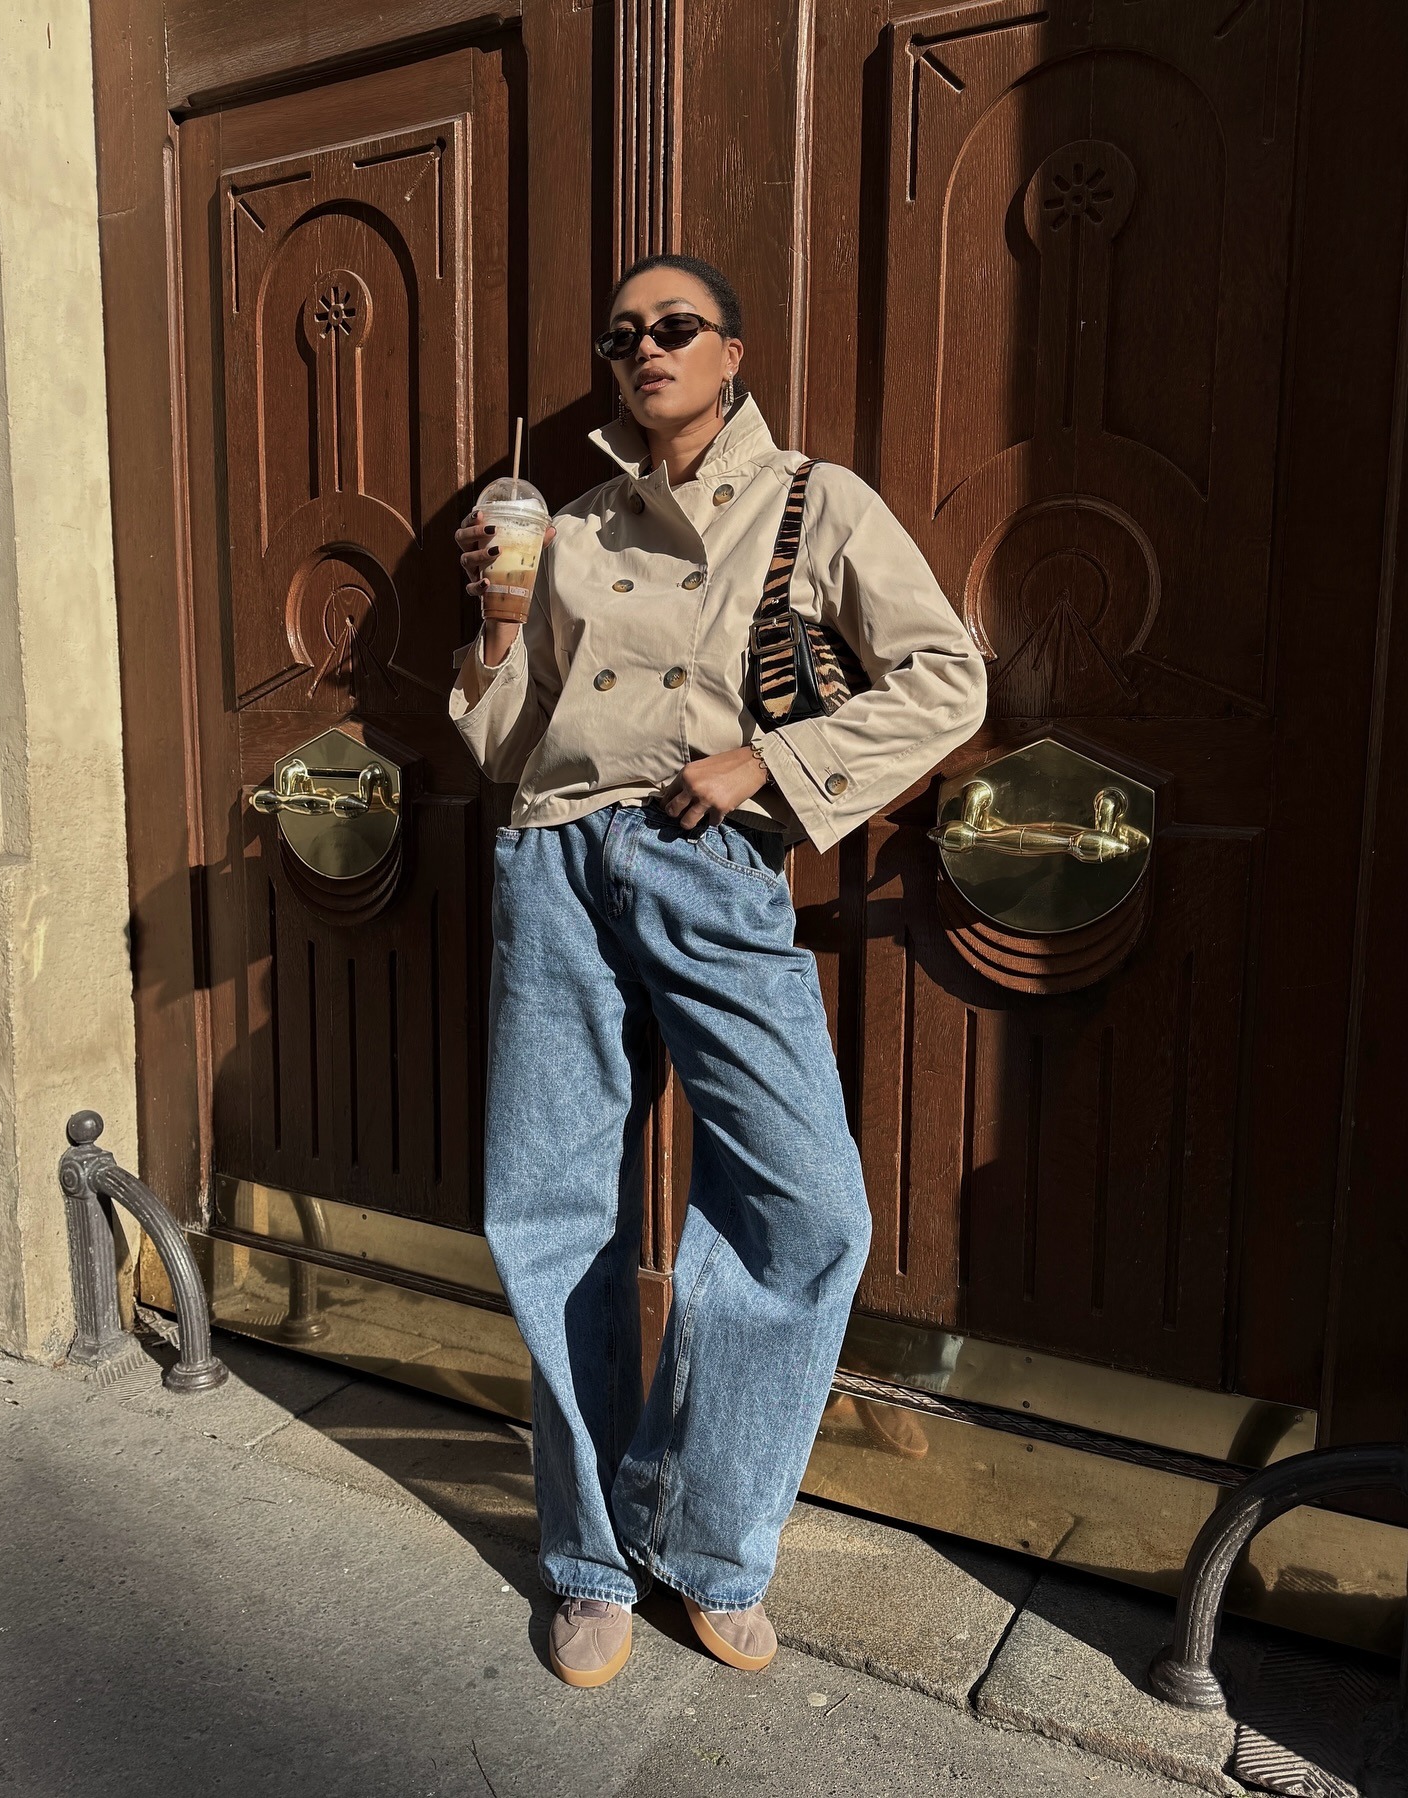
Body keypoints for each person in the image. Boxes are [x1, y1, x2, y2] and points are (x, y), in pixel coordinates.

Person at [449, 253, 986, 1688]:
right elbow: (507, 744)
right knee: (554, 1204)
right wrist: (496, 628)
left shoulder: (813, 500)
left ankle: (705, 1533)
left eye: (673, 326)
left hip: (711, 858)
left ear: (734, 350)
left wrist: (779, 761)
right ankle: (585, 1558)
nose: (645, 348)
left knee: (808, 1207)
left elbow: (947, 675)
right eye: (622, 333)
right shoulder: (562, 526)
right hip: (557, 856)